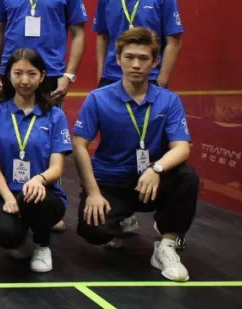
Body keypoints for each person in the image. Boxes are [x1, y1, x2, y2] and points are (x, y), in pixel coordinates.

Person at [72, 27, 197, 282]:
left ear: (155, 62)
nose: (136, 65)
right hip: (112, 182)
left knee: (187, 177)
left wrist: (156, 169)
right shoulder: (97, 99)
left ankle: (167, 246)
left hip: (151, 183)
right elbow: (79, 145)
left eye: (143, 58)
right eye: (129, 57)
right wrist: (93, 192)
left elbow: (182, 147)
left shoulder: (169, 101)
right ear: (118, 59)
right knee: (94, 232)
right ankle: (122, 218)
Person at [0, 49, 72, 273]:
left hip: (44, 194)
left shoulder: (55, 116)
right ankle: (22, 236)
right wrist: (7, 197)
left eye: (31, 74)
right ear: (9, 75)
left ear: (42, 76)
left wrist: (39, 180)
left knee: (35, 199)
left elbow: (57, 167)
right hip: (8, 192)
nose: (24, 80)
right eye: (18, 73)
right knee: (5, 234)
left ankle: (42, 245)